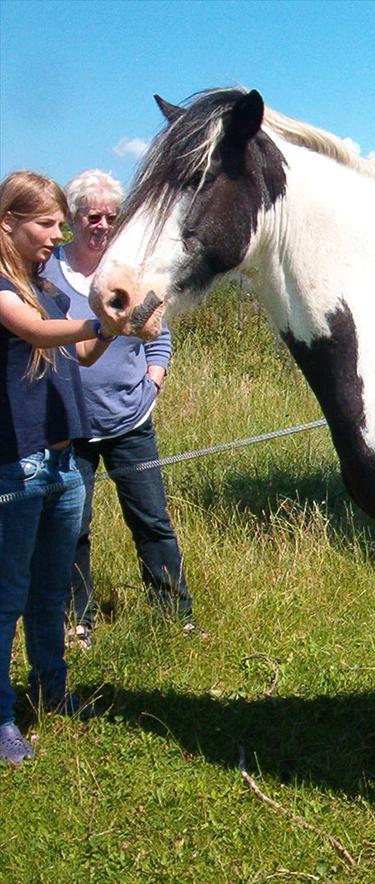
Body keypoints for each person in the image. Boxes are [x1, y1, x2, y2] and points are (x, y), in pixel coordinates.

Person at [42, 170, 198, 649]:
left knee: (151, 518)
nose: (103, 226)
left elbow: (159, 325)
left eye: (112, 216)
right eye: (93, 216)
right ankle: (77, 622)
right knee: (73, 524)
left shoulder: (126, 266)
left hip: (130, 418)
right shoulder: (47, 272)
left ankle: (175, 615)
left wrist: (155, 375)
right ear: (73, 219)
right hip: (67, 423)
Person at [0, 170, 123, 764]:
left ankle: (54, 690)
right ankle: (1, 717)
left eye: (58, 224)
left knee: (50, 593)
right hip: (14, 467)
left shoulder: (44, 285)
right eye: (46, 224)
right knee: (7, 597)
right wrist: (99, 321)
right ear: (9, 222)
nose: (58, 233)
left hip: (63, 461)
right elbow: (36, 332)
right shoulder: (4, 286)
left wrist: (116, 327)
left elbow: (78, 349)